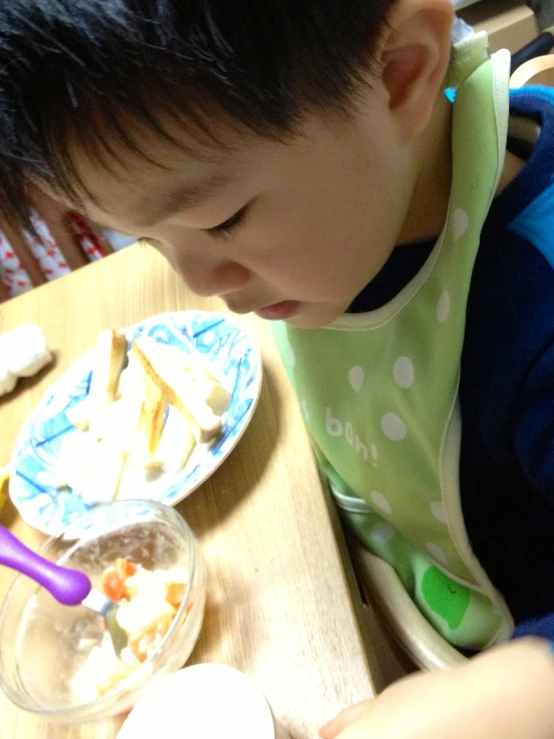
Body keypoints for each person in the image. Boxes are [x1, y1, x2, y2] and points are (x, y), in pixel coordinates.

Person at [1, 0, 554, 734]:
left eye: (221, 220)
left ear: (398, 74)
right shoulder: (349, 231)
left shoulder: (535, 312)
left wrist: (482, 708)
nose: (201, 284)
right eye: (144, 239)